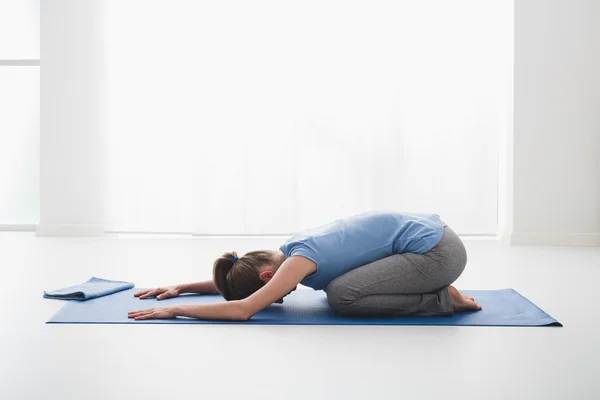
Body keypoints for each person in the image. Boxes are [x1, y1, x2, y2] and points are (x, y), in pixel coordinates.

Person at [128, 211, 482, 321]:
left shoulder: (299, 262)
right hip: (436, 238)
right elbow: (244, 282)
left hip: (439, 254)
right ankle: (437, 291)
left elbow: (244, 308)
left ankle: (442, 300)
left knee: (342, 295)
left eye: (273, 292)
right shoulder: (291, 249)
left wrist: (178, 309)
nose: (276, 296)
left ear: (269, 276)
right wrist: (185, 285)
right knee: (341, 289)